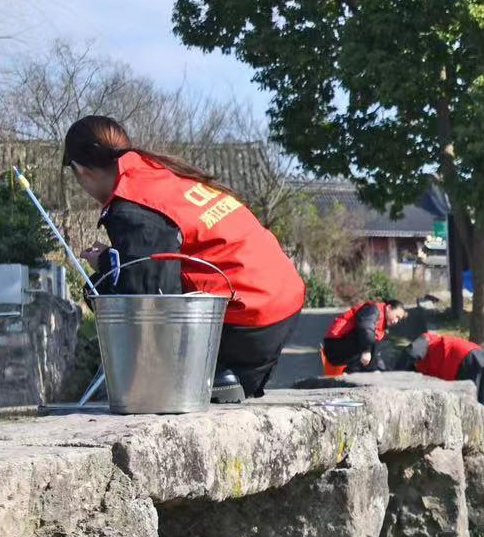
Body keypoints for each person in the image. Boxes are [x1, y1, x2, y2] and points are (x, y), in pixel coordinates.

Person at [63, 115, 306, 401]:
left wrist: (102, 275)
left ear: (80, 170)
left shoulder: (133, 205)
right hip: (280, 299)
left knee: (148, 385)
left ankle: (210, 379)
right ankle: (221, 378)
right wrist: (111, 263)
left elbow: (151, 305)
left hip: (248, 320)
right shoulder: (164, 175)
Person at [407, 329, 484, 407]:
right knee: (480, 405)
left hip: (468, 360)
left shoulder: (425, 340)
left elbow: (411, 352)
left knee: (469, 406)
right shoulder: (433, 351)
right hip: (483, 359)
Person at [321, 298, 405, 375]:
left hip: (342, 345)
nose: (396, 321)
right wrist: (366, 351)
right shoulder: (373, 310)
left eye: (399, 320)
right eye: (396, 316)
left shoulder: (381, 325)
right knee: (369, 337)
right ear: (389, 307)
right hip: (335, 345)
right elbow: (365, 327)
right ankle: (354, 371)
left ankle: (359, 371)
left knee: (374, 344)